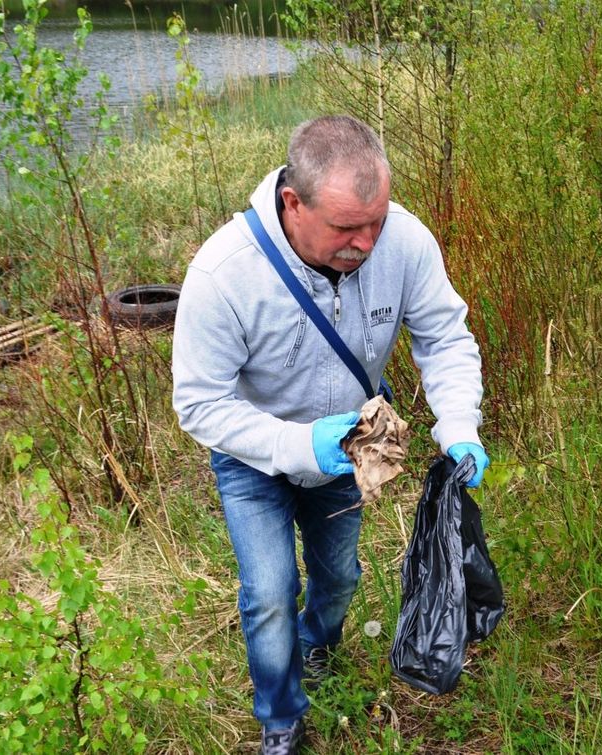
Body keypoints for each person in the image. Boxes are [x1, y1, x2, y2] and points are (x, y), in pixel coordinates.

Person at [171, 114, 489, 755]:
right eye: (347, 227)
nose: (367, 242)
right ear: (294, 202)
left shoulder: (405, 243)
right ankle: (282, 719)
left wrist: (459, 428)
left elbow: (444, 339)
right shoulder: (223, 273)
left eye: (376, 220)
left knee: (339, 578)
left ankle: (317, 645)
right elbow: (200, 404)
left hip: (349, 454)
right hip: (252, 460)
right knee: (268, 592)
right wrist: (297, 445)